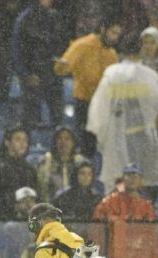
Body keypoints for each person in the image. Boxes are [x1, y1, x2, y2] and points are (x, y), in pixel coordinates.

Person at [87, 34, 158, 194]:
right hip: (145, 141)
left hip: (117, 141)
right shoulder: (151, 76)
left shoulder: (111, 74)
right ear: (140, 51)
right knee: (145, 185)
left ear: (121, 52)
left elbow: (97, 113)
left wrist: (103, 137)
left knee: (118, 187)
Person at [54, 16, 123, 155]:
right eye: (112, 32)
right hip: (84, 102)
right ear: (103, 29)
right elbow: (62, 67)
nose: (115, 37)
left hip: (104, 105)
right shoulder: (82, 45)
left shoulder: (112, 54)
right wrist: (61, 66)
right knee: (87, 146)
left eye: (117, 34)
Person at [12, 0, 67, 131]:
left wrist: (61, 61)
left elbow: (60, 44)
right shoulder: (24, 19)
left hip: (53, 73)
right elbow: (17, 51)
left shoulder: (55, 17)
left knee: (58, 118)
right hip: (33, 75)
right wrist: (26, 74)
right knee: (29, 119)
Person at [0, 125, 37, 219]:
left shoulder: (30, 170)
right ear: (7, 142)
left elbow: (37, 195)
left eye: (25, 140)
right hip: (3, 220)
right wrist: (14, 205)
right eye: (18, 140)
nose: (23, 144)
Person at [36, 126, 84, 204]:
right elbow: (41, 188)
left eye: (67, 138)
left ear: (73, 142)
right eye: (60, 138)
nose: (63, 142)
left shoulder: (79, 162)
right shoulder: (46, 161)